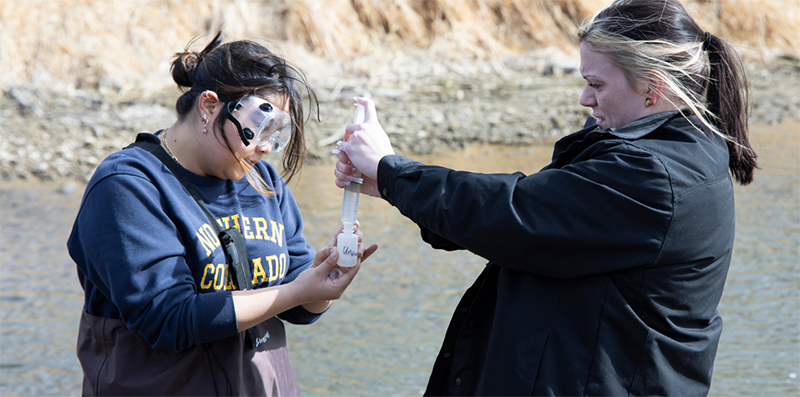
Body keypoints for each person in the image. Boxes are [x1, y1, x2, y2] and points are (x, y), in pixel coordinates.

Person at [333, 0, 757, 395]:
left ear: (653, 87)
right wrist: (388, 183)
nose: (584, 98)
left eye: (596, 83)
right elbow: (525, 220)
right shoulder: (658, 153)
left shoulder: (654, 176)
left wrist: (391, 169)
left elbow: (513, 213)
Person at [67, 32, 378, 396]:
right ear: (209, 106)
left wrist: (324, 280)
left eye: (277, 133)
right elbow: (168, 318)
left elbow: (299, 306)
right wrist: (294, 292)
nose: (265, 147)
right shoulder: (128, 186)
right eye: (259, 126)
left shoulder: (262, 180)